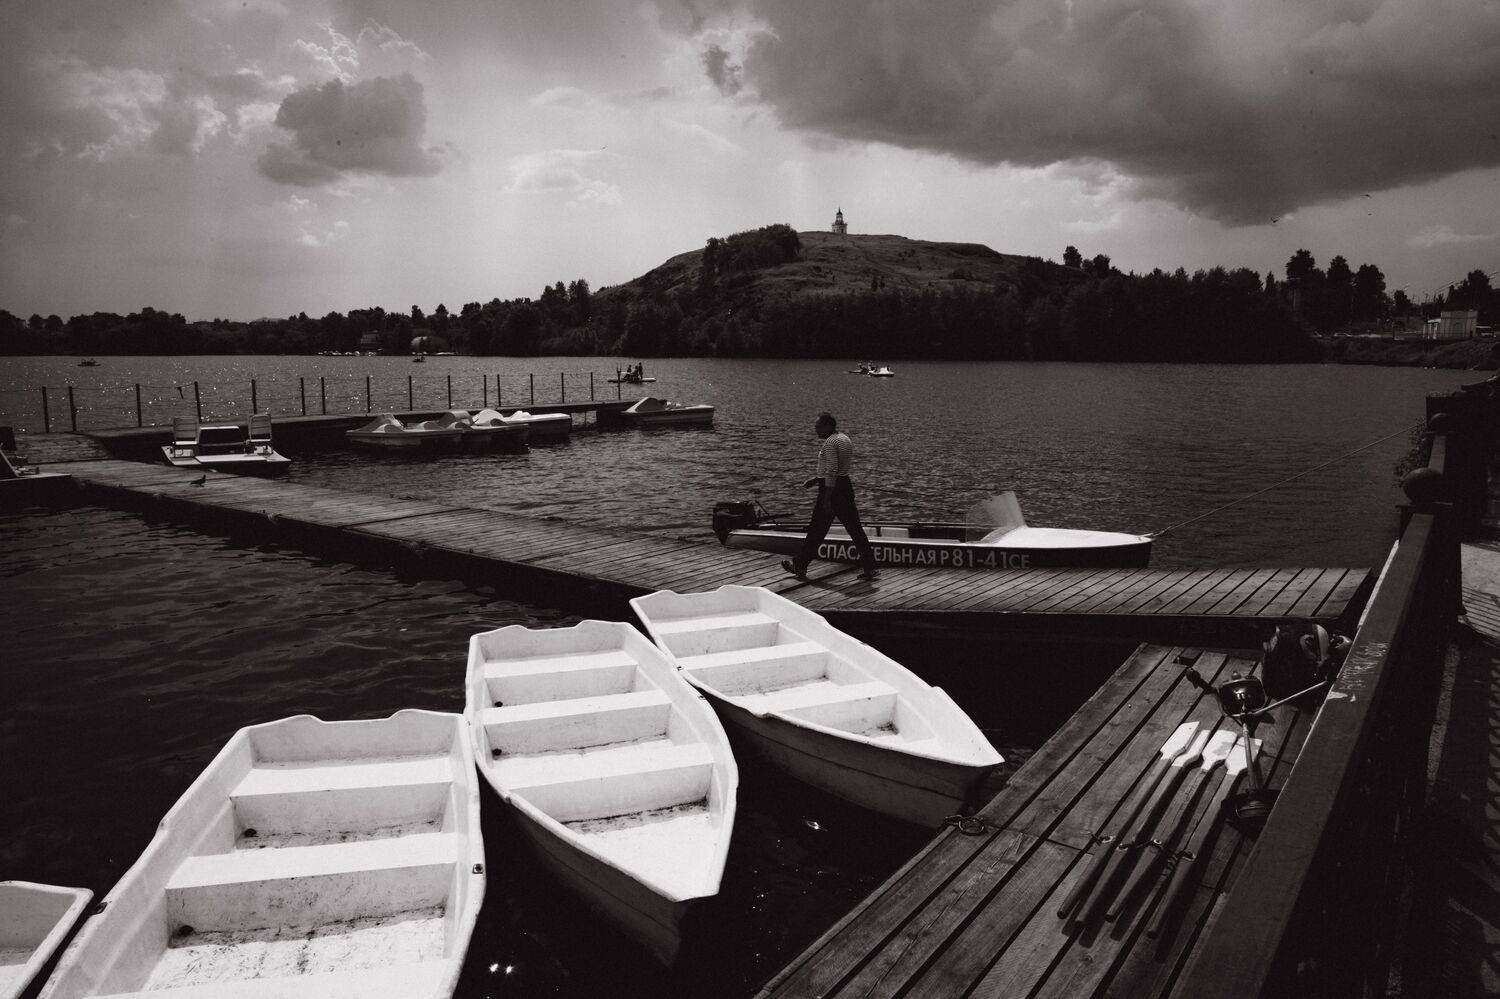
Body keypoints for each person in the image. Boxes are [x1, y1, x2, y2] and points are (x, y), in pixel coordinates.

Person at [782, 412, 879, 580]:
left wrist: (827, 499)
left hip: (832, 491)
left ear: (828, 426)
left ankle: (800, 565)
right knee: (855, 529)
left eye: (818, 426)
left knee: (816, 530)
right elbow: (838, 468)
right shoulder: (844, 438)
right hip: (845, 487)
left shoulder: (830, 443)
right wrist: (816, 479)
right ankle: (870, 567)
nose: (816, 429)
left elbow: (832, 470)